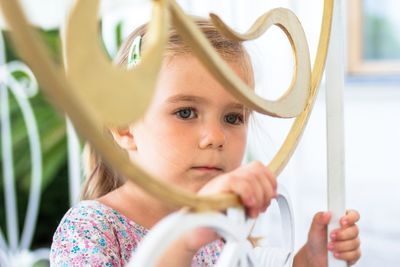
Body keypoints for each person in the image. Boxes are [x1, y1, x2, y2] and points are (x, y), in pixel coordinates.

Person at [50, 18, 361, 267]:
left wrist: (311, 260)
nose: (215, 137)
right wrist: (186, 238)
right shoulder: (91, 227)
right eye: (185, 112)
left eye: (233, 118)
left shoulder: (224, 227)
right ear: (125, 127)